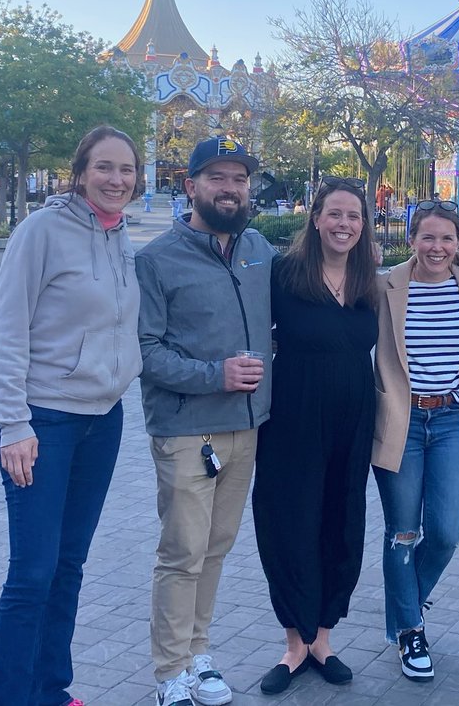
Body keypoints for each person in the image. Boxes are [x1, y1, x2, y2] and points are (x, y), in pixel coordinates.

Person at [0, 126, 144, 706]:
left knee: (68, 567)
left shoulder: (124, 237)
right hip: (44, 423)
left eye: (126, 170)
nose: (116, 180)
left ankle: (51, 692)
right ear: (80, 173)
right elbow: (5, 330)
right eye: (104, 167)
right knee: (31, 575)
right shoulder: (42, 231)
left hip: (104, 421)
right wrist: (13, 423)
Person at [135, 137, 275, 706]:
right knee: (182, 551)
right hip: (188, 430)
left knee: (216, 547)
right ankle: (171, 670)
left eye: (239, 178)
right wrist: (215, 375)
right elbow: (144, 352)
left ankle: (199, 653)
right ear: (190, 185)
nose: (230, 188)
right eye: (216, 177)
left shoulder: (260, 249)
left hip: (248, 428)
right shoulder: (156, 258)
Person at [252, 176, 380, 694]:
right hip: (293, 419)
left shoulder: (371, 280)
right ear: (316, 217)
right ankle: (294, 642)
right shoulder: (284, 276)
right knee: (289, 521)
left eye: (353, 216)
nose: (344, 224)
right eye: (335, 214)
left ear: (363, 224)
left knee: (341, 521)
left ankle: (323, 637)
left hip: (353, 421)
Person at [372, 199, 459, 682]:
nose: (437, 247)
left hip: (449, 422)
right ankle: (411, 631)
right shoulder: (386, 286)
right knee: (403, 531)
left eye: (446, 238)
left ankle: (402, 607)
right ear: (412, 239)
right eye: (428, 237)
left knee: (445, 532)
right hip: (402, 420)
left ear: (458, 243)